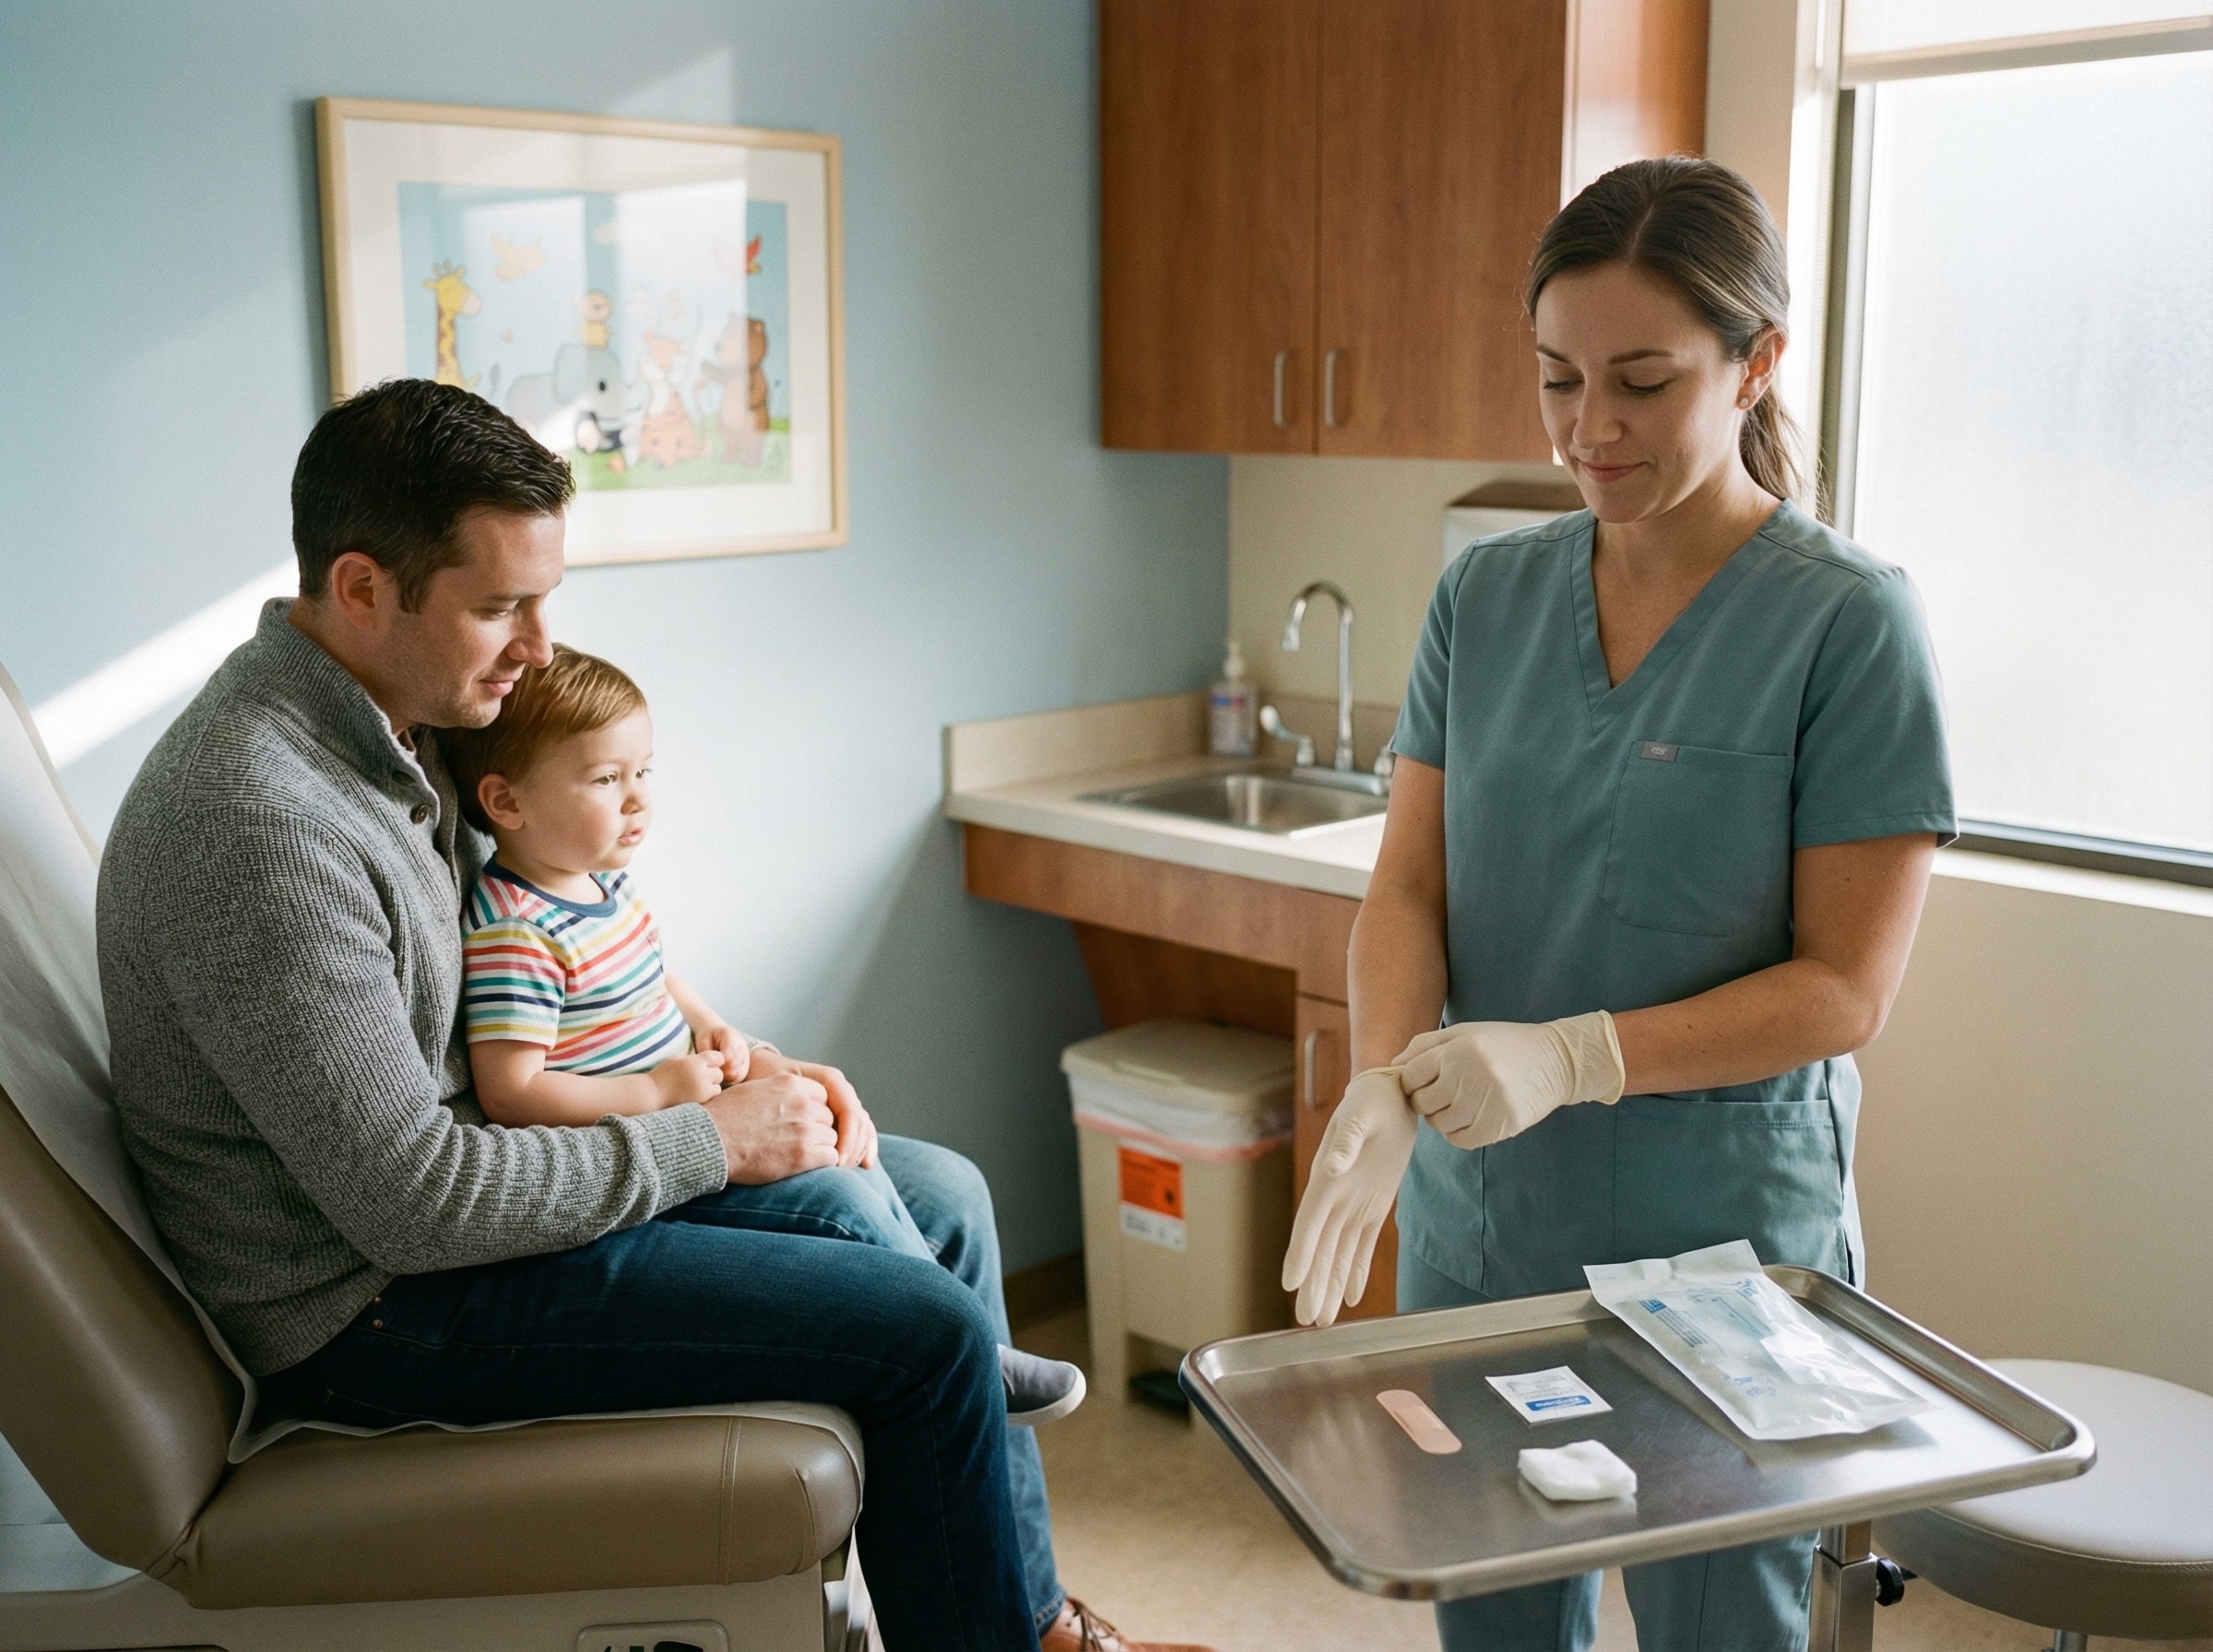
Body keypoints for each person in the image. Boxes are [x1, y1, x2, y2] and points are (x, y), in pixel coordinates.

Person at [97, 377, 1208, 1652]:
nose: (538, 647)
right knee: (921, 1335)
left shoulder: (391, 734)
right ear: (359, 589)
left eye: (544, 599)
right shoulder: (263, 826)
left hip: (467, 1200)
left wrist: (728, 1066)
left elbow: (548, 952)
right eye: (500, 606)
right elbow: (412, 1205)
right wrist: (722, 1138)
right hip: (374, 1309)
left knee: (942, 1193)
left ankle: (1028, 1624)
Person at [1282, 157, 1954, 1651]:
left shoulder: (1846, 623)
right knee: (1501, 1610)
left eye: (1642, 382)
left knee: (1721, 1619)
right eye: (1558, 380)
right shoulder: (1487, 596)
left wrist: (1574, 1053)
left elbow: (1845, 987)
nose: (1592, 429)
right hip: (1489, 1224)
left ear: (1756, 360)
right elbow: (1407, 884)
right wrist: (1387, 1079)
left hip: (1718, 1247)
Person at [439, 642, 1085, 1426]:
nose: (639, 800)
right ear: (506, 803)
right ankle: (967, 1349)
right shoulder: (515, 930)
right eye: (607, 780)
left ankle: (966, 1341)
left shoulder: (601, 883)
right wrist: (655, 1093)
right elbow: (511, 1090)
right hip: (648, 1168)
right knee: (840, 1194)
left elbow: (656, 977)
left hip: (687, 1110)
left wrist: (716, 1030)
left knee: (856, 1158)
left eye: (644, 772)